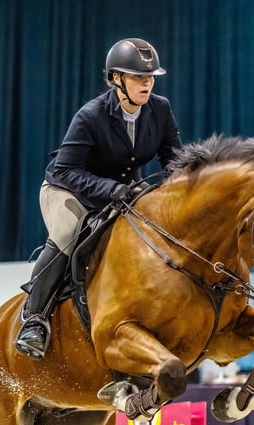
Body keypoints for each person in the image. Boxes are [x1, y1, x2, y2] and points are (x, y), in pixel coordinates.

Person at [15, 38, 182, 359]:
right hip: (69, 190)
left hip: (122, 193)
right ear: (117, 79)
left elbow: (173, 158)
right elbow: (65, 169)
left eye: (150, 78)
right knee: (67, 234)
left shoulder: (160, 109)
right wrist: (111, 190)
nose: (146, 83)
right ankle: (33, 318)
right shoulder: (91, 116)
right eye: (138, 77)